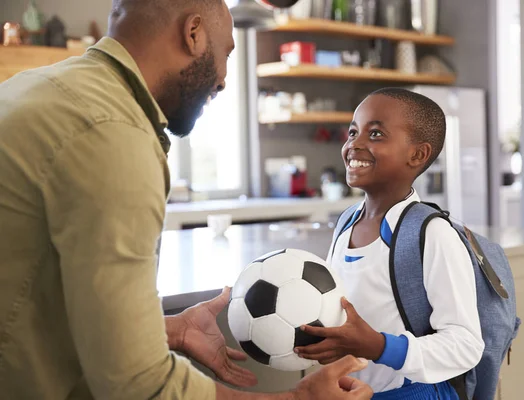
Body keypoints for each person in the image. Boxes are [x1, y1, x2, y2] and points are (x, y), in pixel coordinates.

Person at [0, 0, 373, 398]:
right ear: (193, 33)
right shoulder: (111, 135)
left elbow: (32, 300)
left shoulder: (36, 87)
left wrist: (163, 328)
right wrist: (298, 397)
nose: (225, 79)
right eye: (226, 53)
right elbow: (138, 385)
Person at [294, 88, 485, 399]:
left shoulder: (432, 234)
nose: (354, 144)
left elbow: (465, 345)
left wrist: (378, 346)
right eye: (353, 131)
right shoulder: (346, 223)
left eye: (376, 134)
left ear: (418, 154)